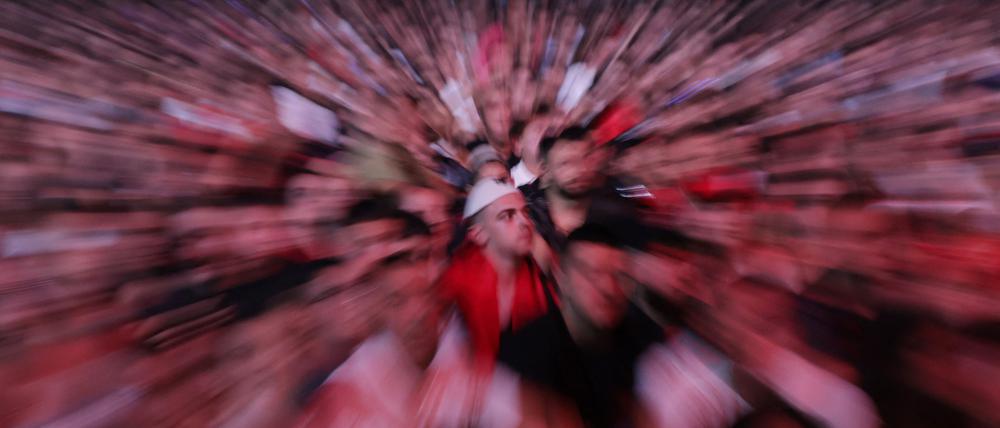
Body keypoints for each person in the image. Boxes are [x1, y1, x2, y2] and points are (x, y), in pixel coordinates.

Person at [438, 179, 556, 367]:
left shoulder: (544, 274)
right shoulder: (453, 288)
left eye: (525, 212)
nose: (524, 222)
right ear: (479, 234)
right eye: (507, 216)